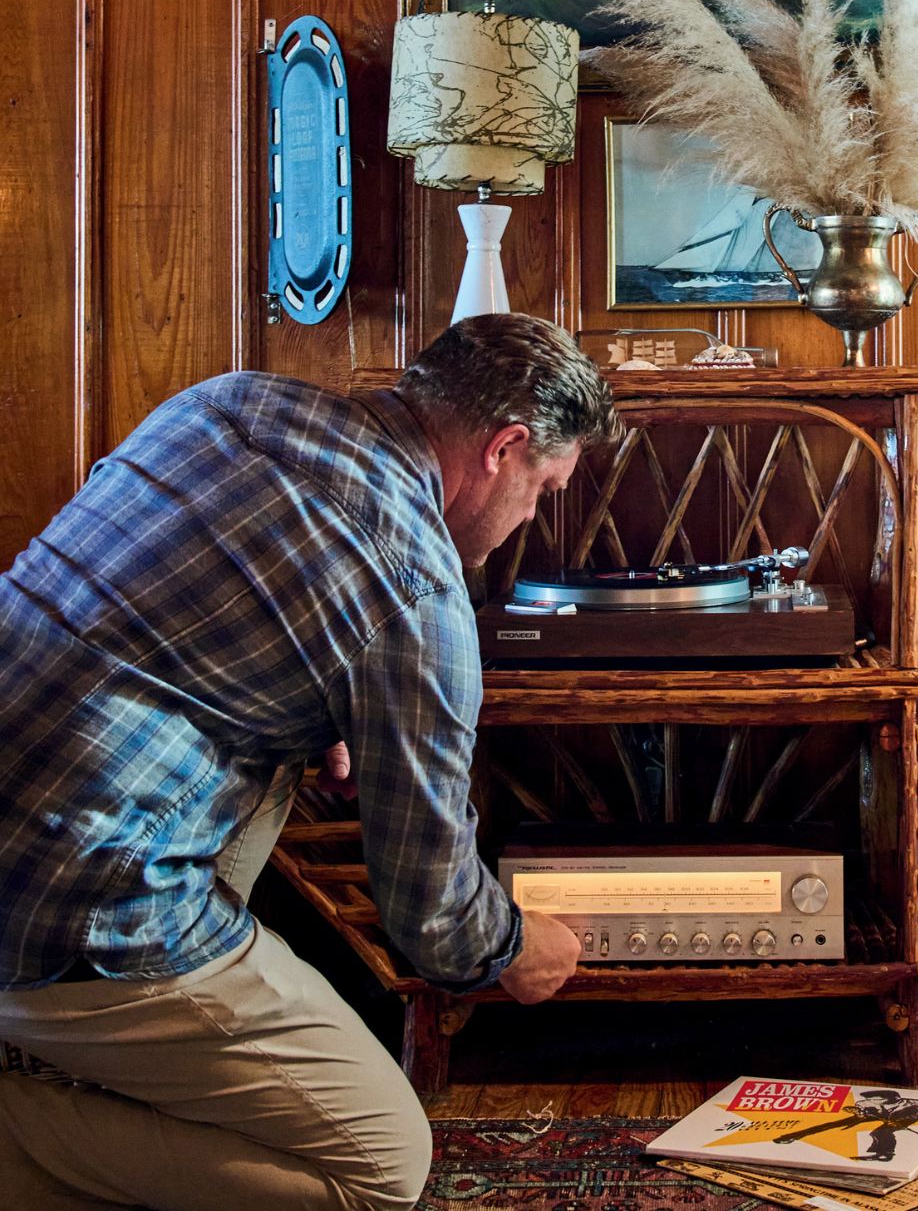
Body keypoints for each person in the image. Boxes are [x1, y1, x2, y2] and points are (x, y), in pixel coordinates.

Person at [0, 315, 619, 1210]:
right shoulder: (415, 592)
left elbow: (147, 606)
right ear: (505, 448)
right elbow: (434, 917)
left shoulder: (223, 403)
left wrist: (312, 709)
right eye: (543, 488)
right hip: (71, 913)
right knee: (379, 1170)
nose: (531, 516)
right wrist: (517, 949)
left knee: (284, 760)